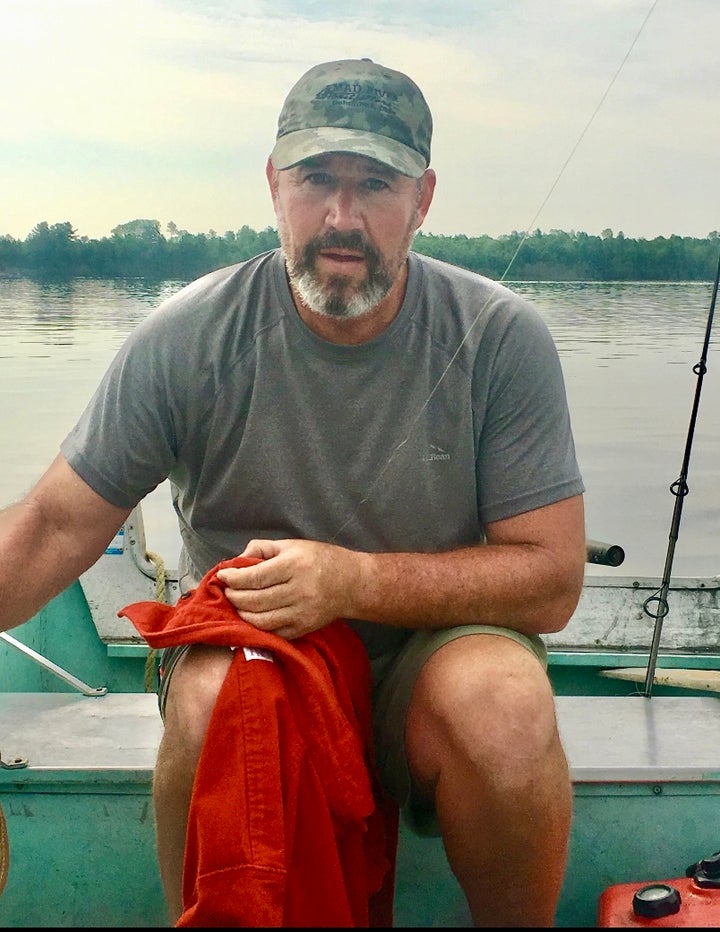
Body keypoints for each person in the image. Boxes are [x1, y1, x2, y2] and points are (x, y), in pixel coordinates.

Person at [0, 58, 586, 926]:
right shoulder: (187, 338)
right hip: (251, 652)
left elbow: (551, 580)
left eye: (375, 184)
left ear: (422, 200)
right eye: (316, 179)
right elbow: (53, 525)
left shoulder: (501, 338)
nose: (341, 217)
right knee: (213, 701)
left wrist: (355, 583)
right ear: (275, 185)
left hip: (430, 670)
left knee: (502, 705)